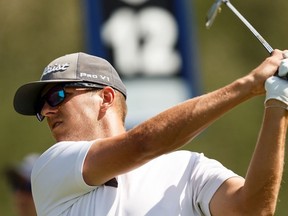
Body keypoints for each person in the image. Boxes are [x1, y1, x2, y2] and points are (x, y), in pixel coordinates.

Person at [13, 50, 288, 216]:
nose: (47, 111)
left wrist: (277, 103)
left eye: (58, 95)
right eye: (41, 107)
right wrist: (249, 85)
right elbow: (142, 144)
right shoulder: (51, 167)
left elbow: (253, 210)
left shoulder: (189, 168)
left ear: (106, 98)